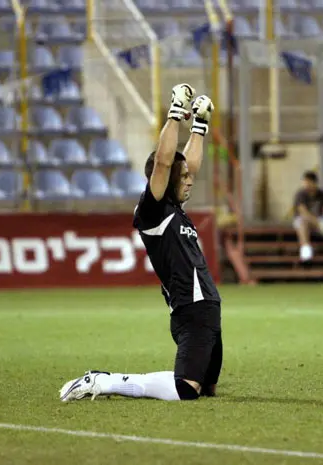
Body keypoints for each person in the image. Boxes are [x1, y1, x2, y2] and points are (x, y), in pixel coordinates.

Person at [59, 83, 222, 402]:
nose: (190, 179)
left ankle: (193, 376)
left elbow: (183, 165)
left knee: (208, 388)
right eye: (183, 176)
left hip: (206, 308)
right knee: (185, 389)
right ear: (163, 180)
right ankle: (105, 381)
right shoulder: (152, 210)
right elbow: (165, 164)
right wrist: (175, 114)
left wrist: (199, 128)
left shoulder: (173, 209)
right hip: (192, 309)